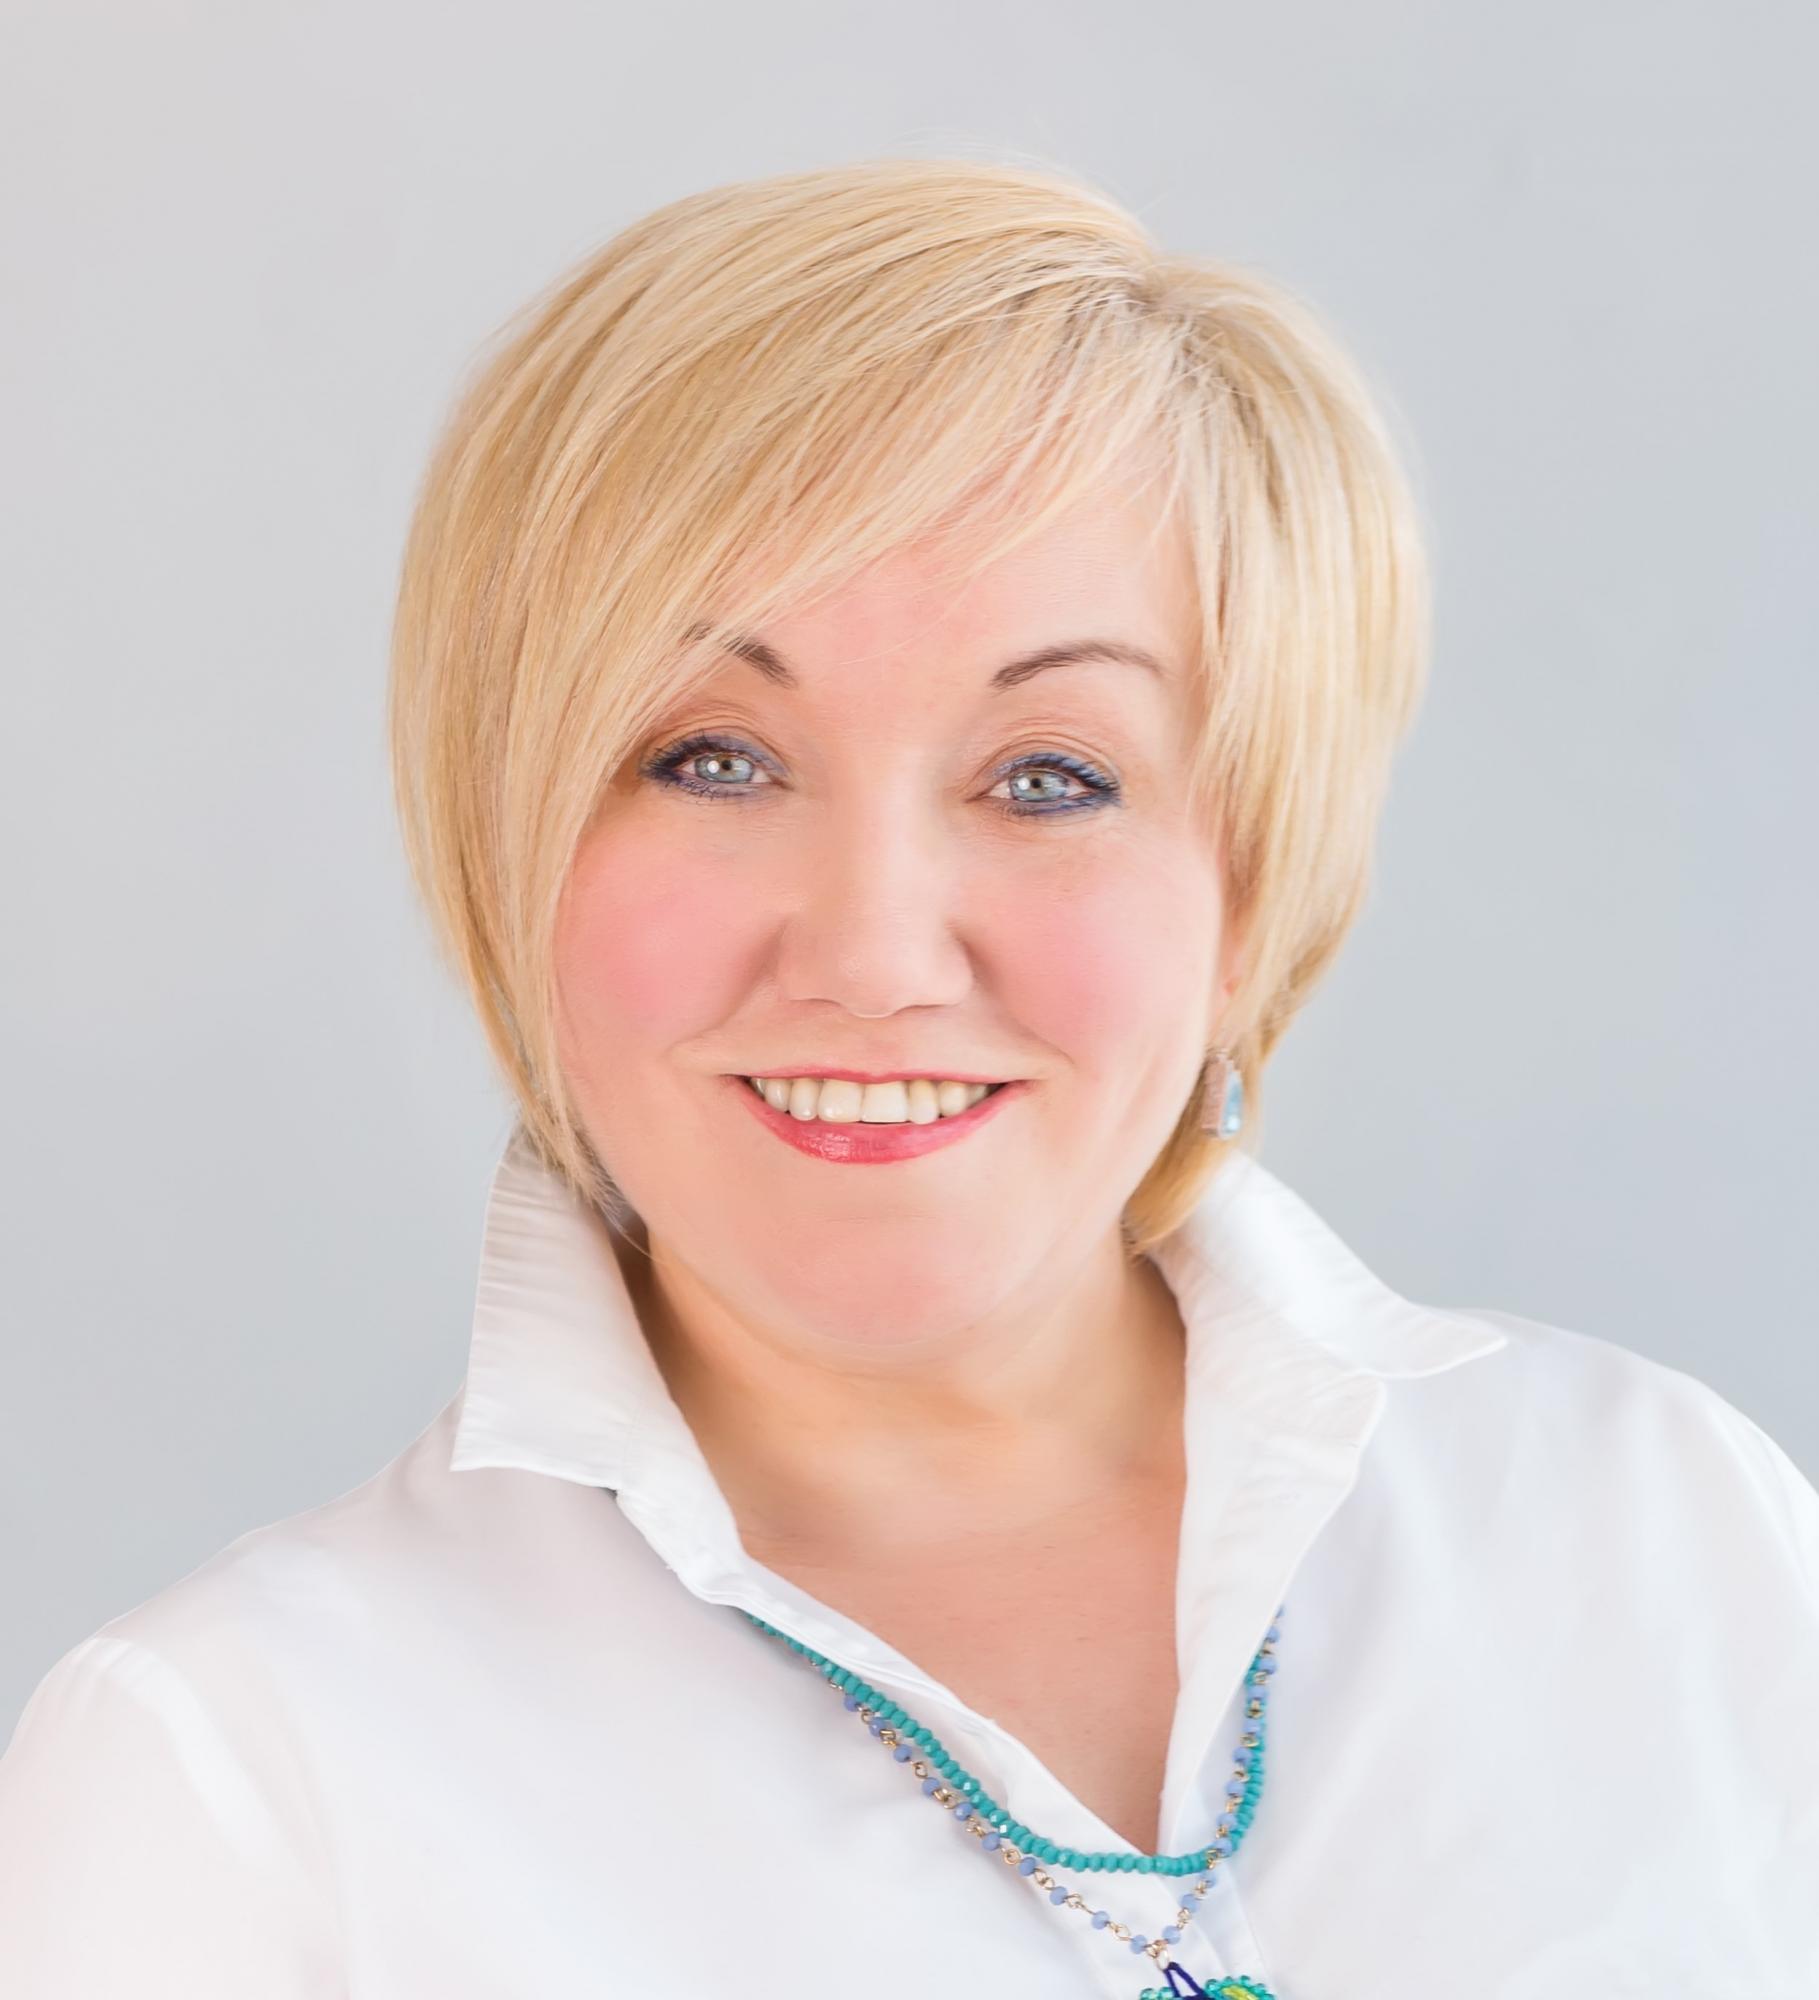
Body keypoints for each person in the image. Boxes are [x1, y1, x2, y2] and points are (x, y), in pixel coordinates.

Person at [2, 156, 1815, 2000]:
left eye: (1050, 778)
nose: (874, 956)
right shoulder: (237, 1775)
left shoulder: (1670, 1531)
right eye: (714, 759)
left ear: (1251, 891)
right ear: (508, 842)